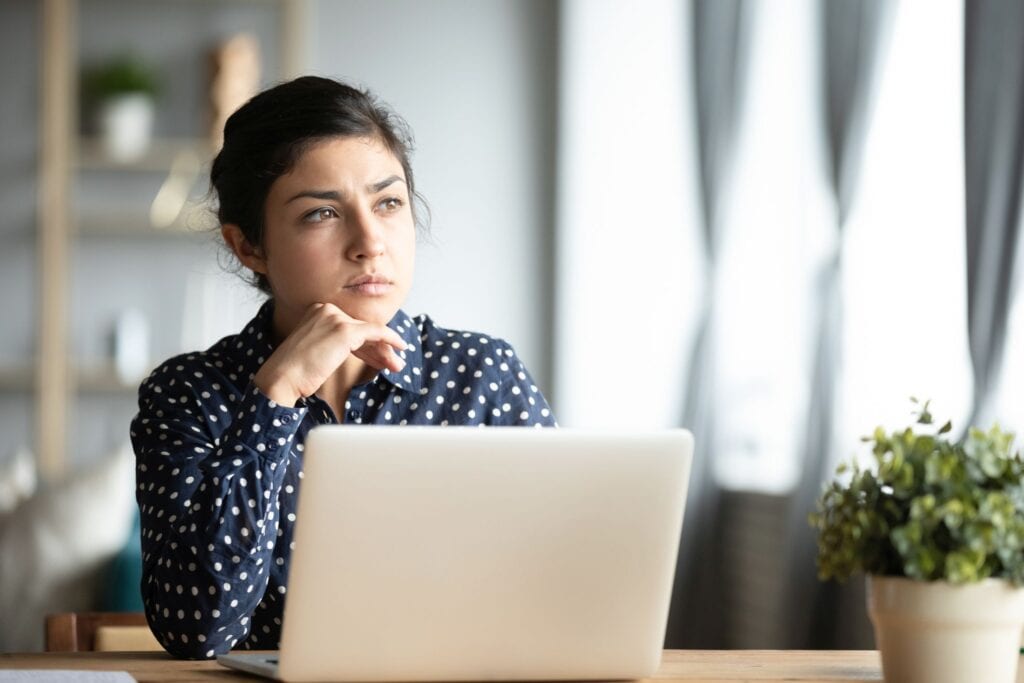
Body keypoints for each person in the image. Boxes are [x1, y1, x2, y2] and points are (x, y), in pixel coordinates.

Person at [129, 76, 557, 660]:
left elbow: (557, 580)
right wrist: (275, 395)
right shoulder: (188, 393)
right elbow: (197, 630)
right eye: (321, 213)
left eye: (388, 202)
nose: (369, 241)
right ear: (248, 246)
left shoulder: (482, 374)